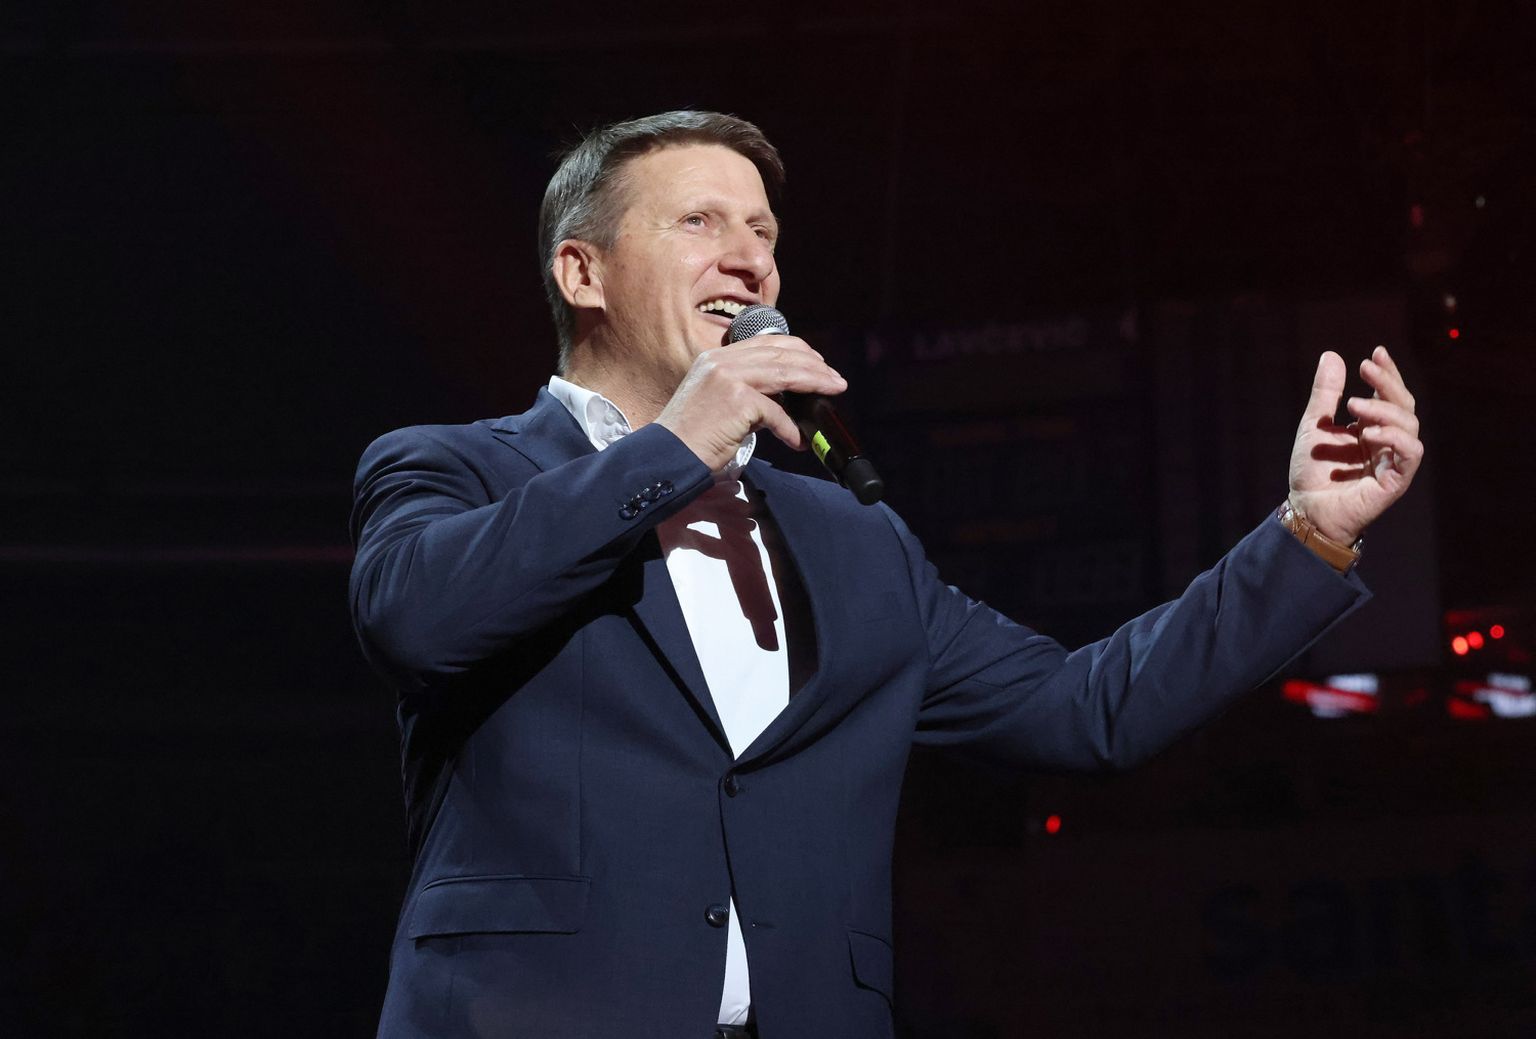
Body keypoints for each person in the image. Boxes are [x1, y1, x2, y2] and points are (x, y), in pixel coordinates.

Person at [349, 111, 1423, 1039]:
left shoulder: (852, 540)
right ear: (582, 273)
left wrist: (1308, 534)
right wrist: (673, 447)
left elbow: (1088, 708)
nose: (750, 260)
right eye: (701, 222)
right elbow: (419, 618)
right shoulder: (457, 470)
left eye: (764, 232)